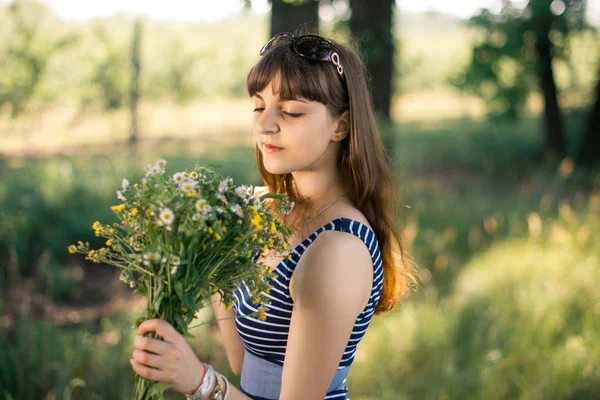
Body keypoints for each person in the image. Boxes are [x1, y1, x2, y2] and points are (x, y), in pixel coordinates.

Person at [129, 31, 415, 400]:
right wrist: (215, 243)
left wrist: (199, 382)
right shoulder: (265, 212)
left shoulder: (338, 250)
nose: (265, 125)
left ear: (340, 125)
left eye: (292, 111)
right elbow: (243, 362)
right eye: (258, 106)